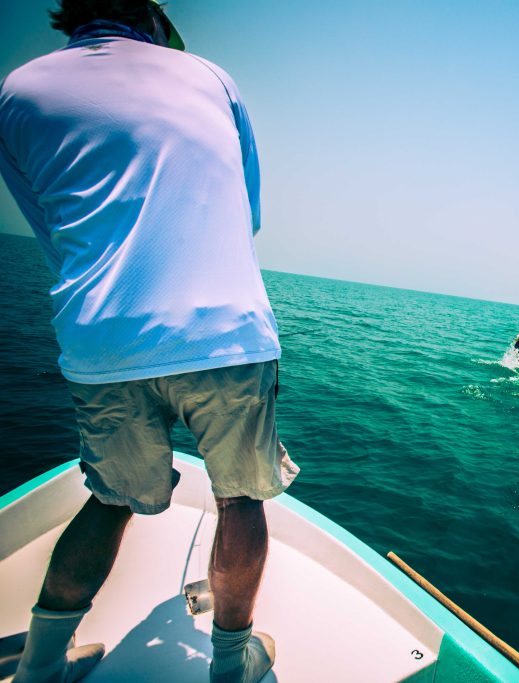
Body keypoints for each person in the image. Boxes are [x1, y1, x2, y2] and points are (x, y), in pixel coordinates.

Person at [0, 2, 299, 681]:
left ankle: (41, 666)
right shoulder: (212, 78)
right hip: (224, 331)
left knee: (108, 500)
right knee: (240, 499)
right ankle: (231, 666)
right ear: (152, 15)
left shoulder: (13, 93)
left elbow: (46, 223)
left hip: (100, 337)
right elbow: (249, 212)